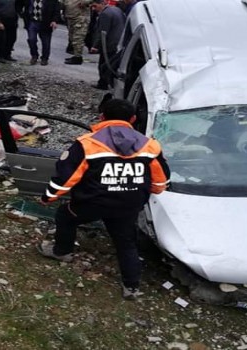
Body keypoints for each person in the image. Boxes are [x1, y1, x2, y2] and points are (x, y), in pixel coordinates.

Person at [37, 98, 170, 300]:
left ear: (102, 117)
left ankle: (62, 251)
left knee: (65, 216)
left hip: (91, 204)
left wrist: (48, 197)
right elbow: (161, 183)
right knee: (126, 243)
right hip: (127, 206)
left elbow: (66, 178)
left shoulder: (87, 144)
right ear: (133, 119)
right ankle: (131, 286)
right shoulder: (150, 146)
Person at [90, 0, 125, 90]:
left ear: (102, 4)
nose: (94, 9)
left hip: (109, 43)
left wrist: (95, 46)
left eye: (95, 6)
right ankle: (109, 83)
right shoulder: (117, 10)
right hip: (118, 42)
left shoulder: (105, 14)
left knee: (104, 65)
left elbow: (102, 32)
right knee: (112, 64)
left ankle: (103, 84)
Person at [18, 0, 60, 65]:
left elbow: (56, 10)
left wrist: (54, 20)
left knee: (46, 42)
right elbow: (19, 4)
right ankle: (34, 56)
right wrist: (21, 14)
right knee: (31, 39)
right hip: (32, 22)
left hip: (46, 23)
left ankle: (44, 58)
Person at [63, 0, 90, 65]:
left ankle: (78, 58)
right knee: (72, 38)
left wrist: (85, 2)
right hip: (70, 18)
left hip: (80, 18)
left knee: (78, 39)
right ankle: (76, 55)